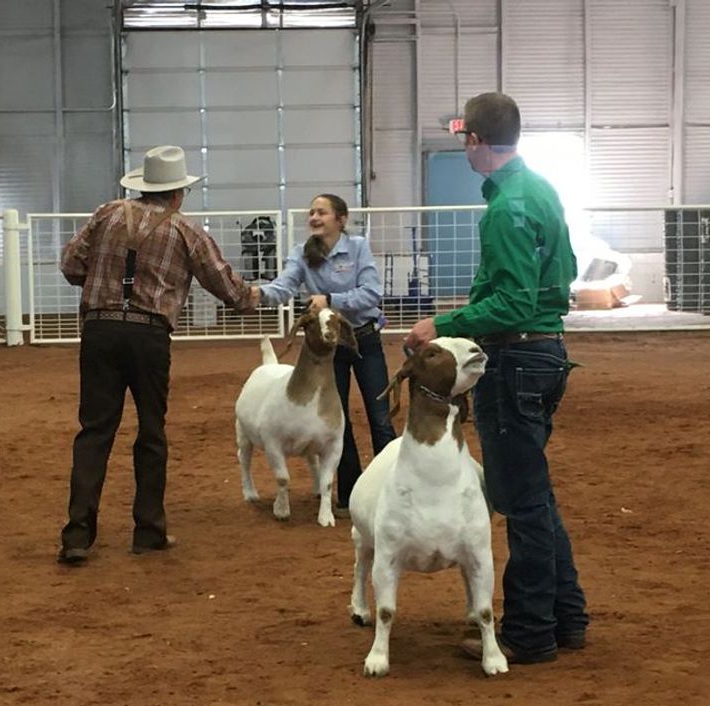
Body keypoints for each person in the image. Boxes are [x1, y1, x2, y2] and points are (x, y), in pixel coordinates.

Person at [405, 92, 589, 664]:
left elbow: (512, 303)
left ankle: (530, 631)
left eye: (465, 139)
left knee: (521, 501)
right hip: (546, 353)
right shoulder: (540, 191)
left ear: (476, 140)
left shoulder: (506, 208)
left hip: (516, 359)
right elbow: (565, 271)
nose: (465, 149)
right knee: (535, 492)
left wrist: (442, 324)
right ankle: (566, 616)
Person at [58, 145, 258, 566]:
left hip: (99, 328)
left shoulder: (107, 214)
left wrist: (103, 284)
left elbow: (71, 264)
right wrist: (255, 297)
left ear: (143, 186)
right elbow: (224, 284)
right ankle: (148, 529)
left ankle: (77, 533)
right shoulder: (187, 231)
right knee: (151, 430)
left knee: (94, 430)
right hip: (149, 335)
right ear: (177, 193)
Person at [256, 193, 396, 515]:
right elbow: (284, 286)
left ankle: (391, 490)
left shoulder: (358, 247)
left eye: (322, 212)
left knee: (381, 418)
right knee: (338, 421)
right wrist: (255, 293)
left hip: (365, 339)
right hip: (329, 349)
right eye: (312, 212)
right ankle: (350, 496)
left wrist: (331, 299)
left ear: (341, 219)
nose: (314, 218)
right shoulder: (301, 254)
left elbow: (372, 293)